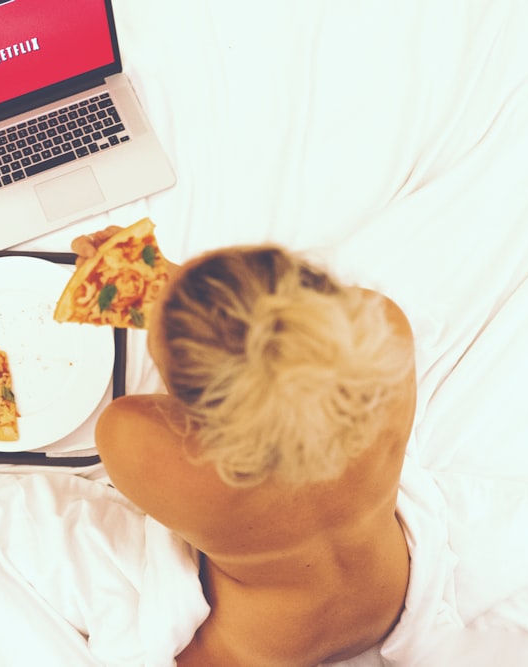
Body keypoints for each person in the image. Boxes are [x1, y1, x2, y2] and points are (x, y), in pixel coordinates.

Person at [73, 232, 418, 666]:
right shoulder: (387, 330)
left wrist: (161, 296)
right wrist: (172, 287)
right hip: (387, 594)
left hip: (268, 647)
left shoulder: (130, 437)